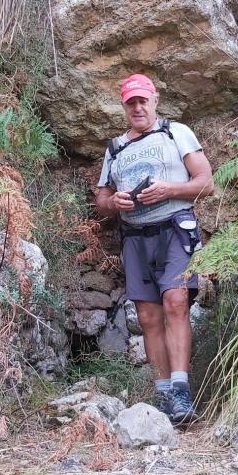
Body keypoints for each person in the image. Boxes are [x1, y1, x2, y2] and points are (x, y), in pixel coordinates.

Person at [94, 73, 214, 425]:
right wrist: (113, 201)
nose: (137, 107)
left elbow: (205, 182)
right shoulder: (115, 147)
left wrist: (167, 190)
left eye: (142, 100)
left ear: (155, 100)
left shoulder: (176, 133)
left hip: (175, 229)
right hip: (135, 237)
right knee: (147, 317)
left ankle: (181, 391)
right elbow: (101, 198)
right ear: (124, 106)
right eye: (131, 102)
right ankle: (163, 394)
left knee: (175, 301)